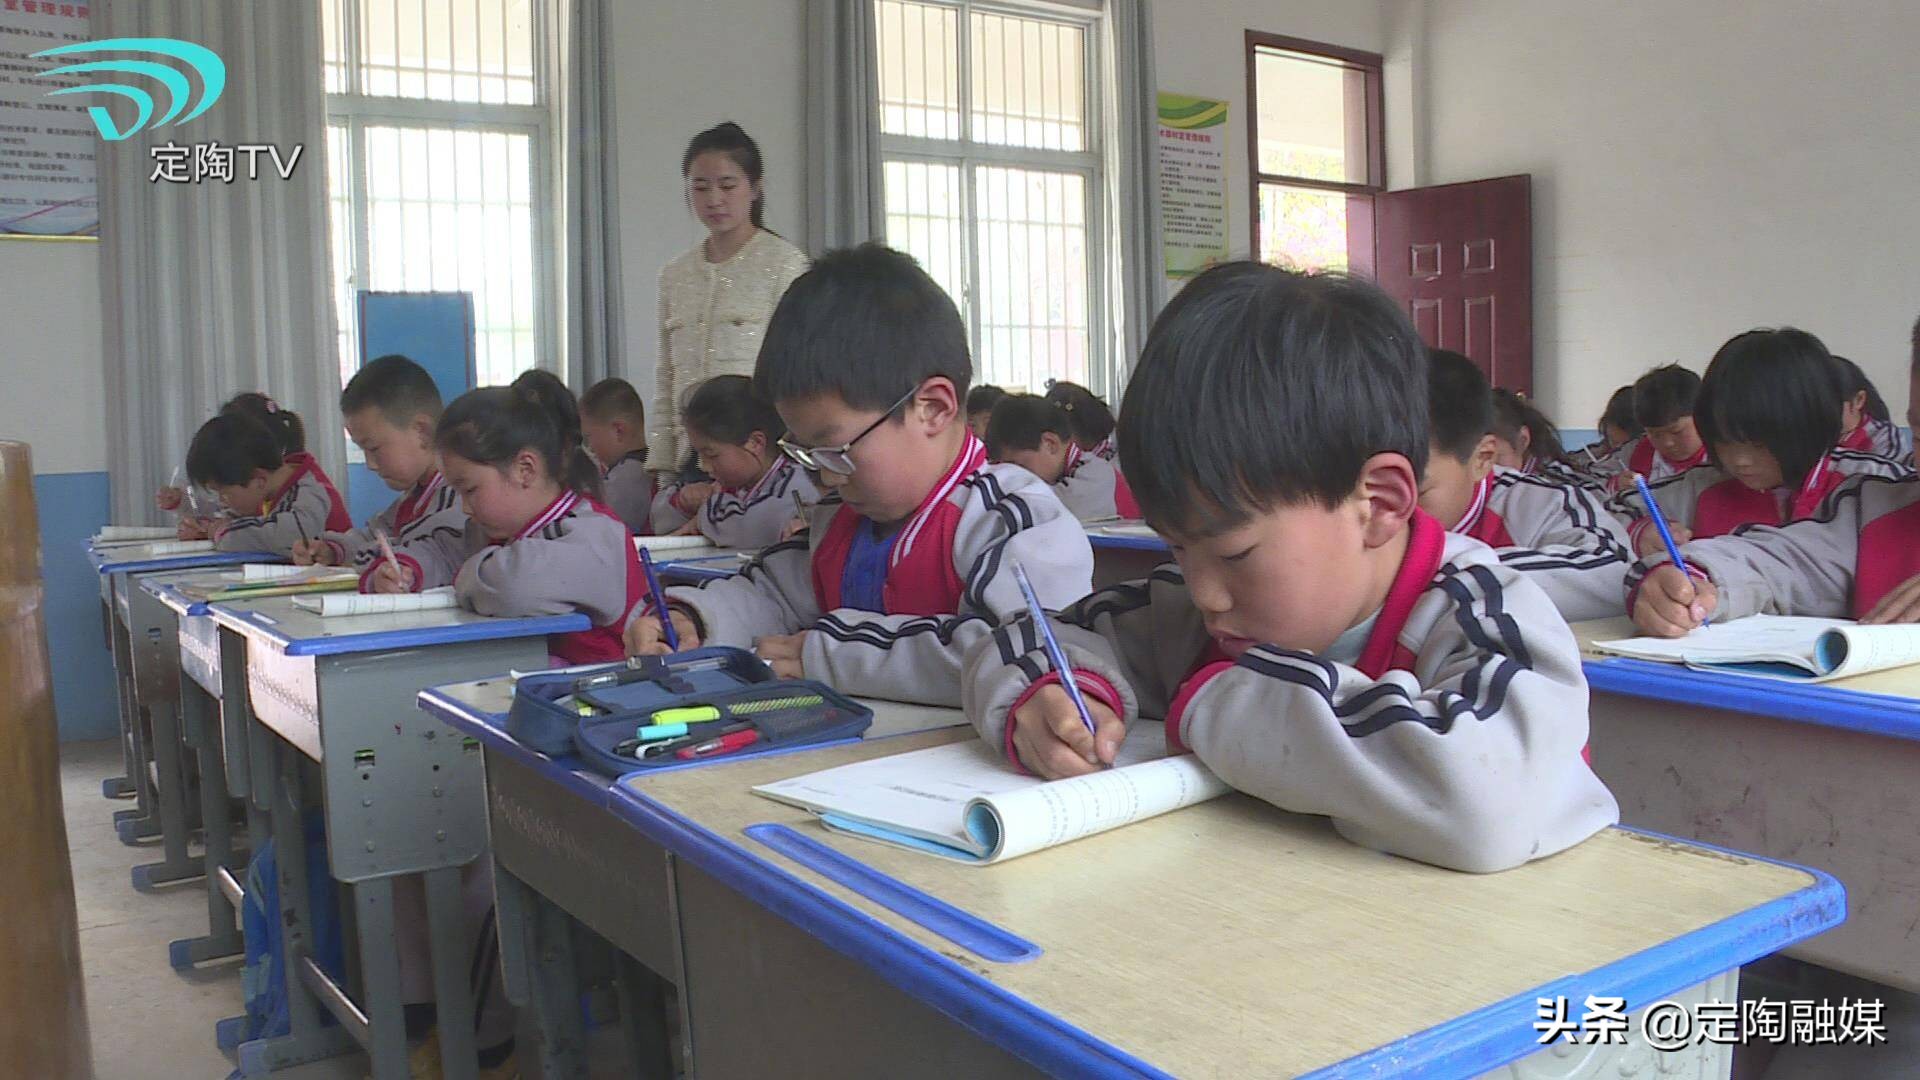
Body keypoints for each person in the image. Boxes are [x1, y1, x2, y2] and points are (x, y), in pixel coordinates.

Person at [961, 262, 1615, 874]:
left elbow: (1487, 804)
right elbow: (1025, 637)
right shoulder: (1192, 612)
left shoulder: (1483, 613)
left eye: (1234, 554)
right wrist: (1048, 696)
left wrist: (1217, 698)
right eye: (1177, 550)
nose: (1205, 594)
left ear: (1379, 503)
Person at [623, 244, 1094, 706]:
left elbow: (1020, 647)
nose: (822, 479)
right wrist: (693, 618)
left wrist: (829, 655)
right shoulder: (839, 519)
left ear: (931, 408)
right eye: (806, 453)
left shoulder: (1012, 518)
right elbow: (771, 594)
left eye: (834, 449)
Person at [368, 372, 642, 665]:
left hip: (605, 694)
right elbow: (444, 550)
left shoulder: (593, 534)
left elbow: (512, 586)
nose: (465, 508)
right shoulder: (501, 530)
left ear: (525, 469)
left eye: (470, 489)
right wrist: (405, 570)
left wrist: (466, 573)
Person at [1606, 329, 1908, 557]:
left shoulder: (1871, 487)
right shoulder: (1700, 486)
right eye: (1725, 441)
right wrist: (1639, 532)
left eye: (1760, 444)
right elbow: (1606, 517)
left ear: (1811, 424)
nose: (1740, 461)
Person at [649, 121, 810, 482]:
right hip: (691, 457)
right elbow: (667, 377)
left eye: (727, 185)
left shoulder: (786, 264)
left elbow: (796, 371)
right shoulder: (674, 275)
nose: (714, 199)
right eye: (700, 187)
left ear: (755, 188)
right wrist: (661, 465)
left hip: (761, 456)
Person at [295, 355, 466, 584]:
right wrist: (332, 550)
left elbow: (405, 546)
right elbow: (376, 535)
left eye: (374, 448)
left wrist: (365, 557)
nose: (370, 464)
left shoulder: (458, 498)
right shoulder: (414, 496)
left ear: (422, 432)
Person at [984, 393, 1140, 522]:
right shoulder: (1062, 472)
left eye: (1017, 466)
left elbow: (1041, 513)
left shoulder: (1096, 475)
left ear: (1050, 444)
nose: (1012, 478)